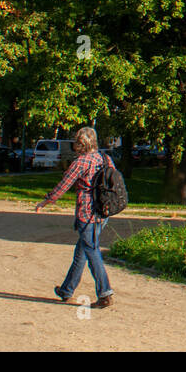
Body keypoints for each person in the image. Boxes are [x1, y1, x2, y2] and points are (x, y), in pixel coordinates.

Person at [35, 126, 114, 309]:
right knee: (82, 251)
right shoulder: (106, 159)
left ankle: (105, 293)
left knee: (92, 250)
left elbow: (63, 186)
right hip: (103, 212)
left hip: (87, 214)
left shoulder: (81, 162)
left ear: (80, 143)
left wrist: (45, 202)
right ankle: (66, 290)